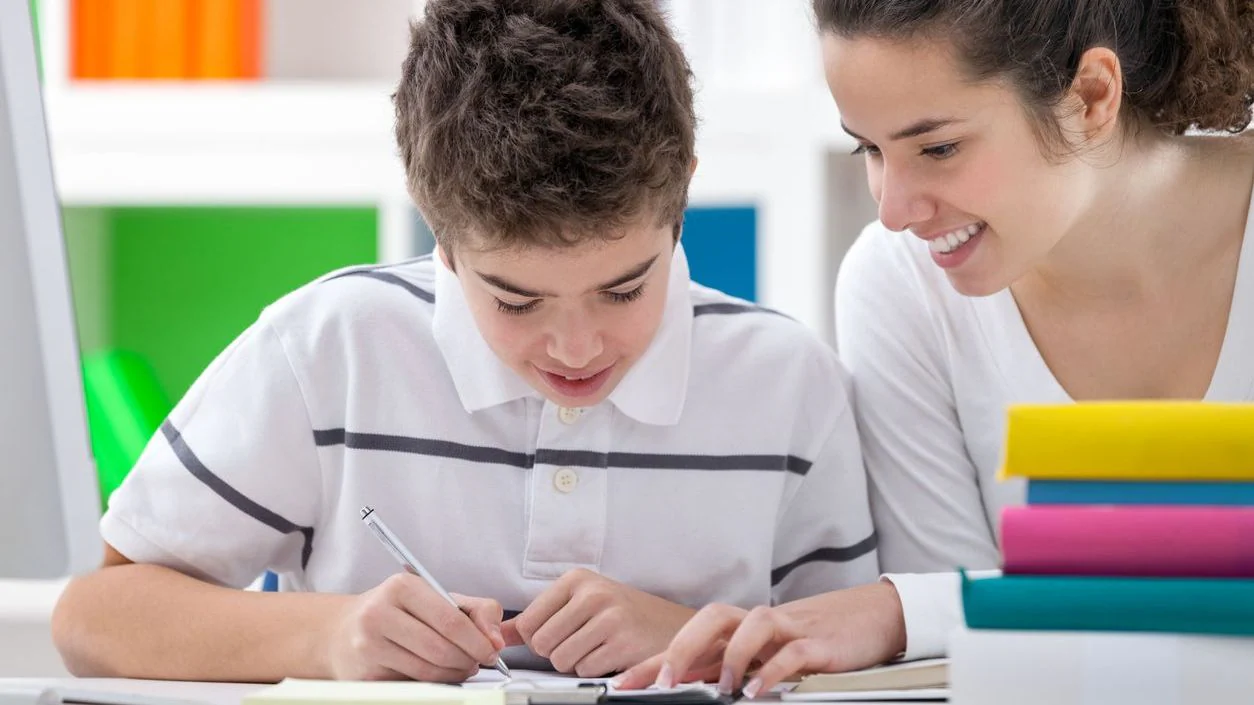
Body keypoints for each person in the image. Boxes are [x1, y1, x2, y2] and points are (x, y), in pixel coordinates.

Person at [50, 0, 880, 684]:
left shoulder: (788, 385)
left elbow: (874, 674)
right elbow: (95, 616)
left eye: (625, 288)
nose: (577, 345)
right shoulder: (329, 349)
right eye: (516, 300)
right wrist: (329, 634)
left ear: (683, 192)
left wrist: (686, 638)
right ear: (436, 229)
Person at [614, 0, 1254, 697]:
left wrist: (899, 610)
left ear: (1092, 96)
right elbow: (977, 664)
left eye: (938, 148)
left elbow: (967, 608)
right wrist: (909, 613)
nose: (892, 209)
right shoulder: (899, 287)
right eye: (869, 149)